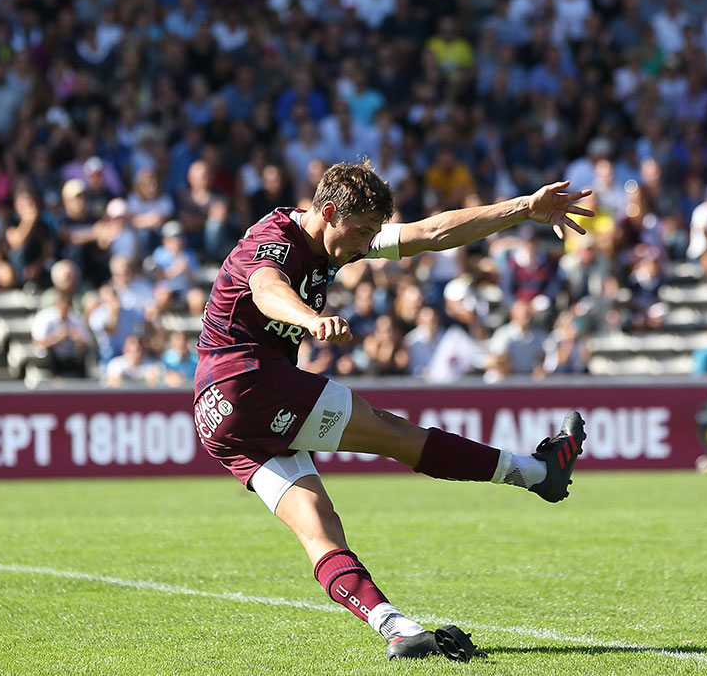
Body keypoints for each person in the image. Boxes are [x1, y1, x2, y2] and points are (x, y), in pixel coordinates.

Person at [193, 160, 592, 661]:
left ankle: (395, 628)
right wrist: (310, 318)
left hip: (218, 419)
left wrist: (523, 208)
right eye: (361, 233)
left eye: (372, 235)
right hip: (248, 381)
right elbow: (267, 288)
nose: (366, 246)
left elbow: (430, 232)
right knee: (392, 435)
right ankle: (537, 473)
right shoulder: (274, 242)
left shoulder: (334, 237)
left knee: (319, 525)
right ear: (331, 212)